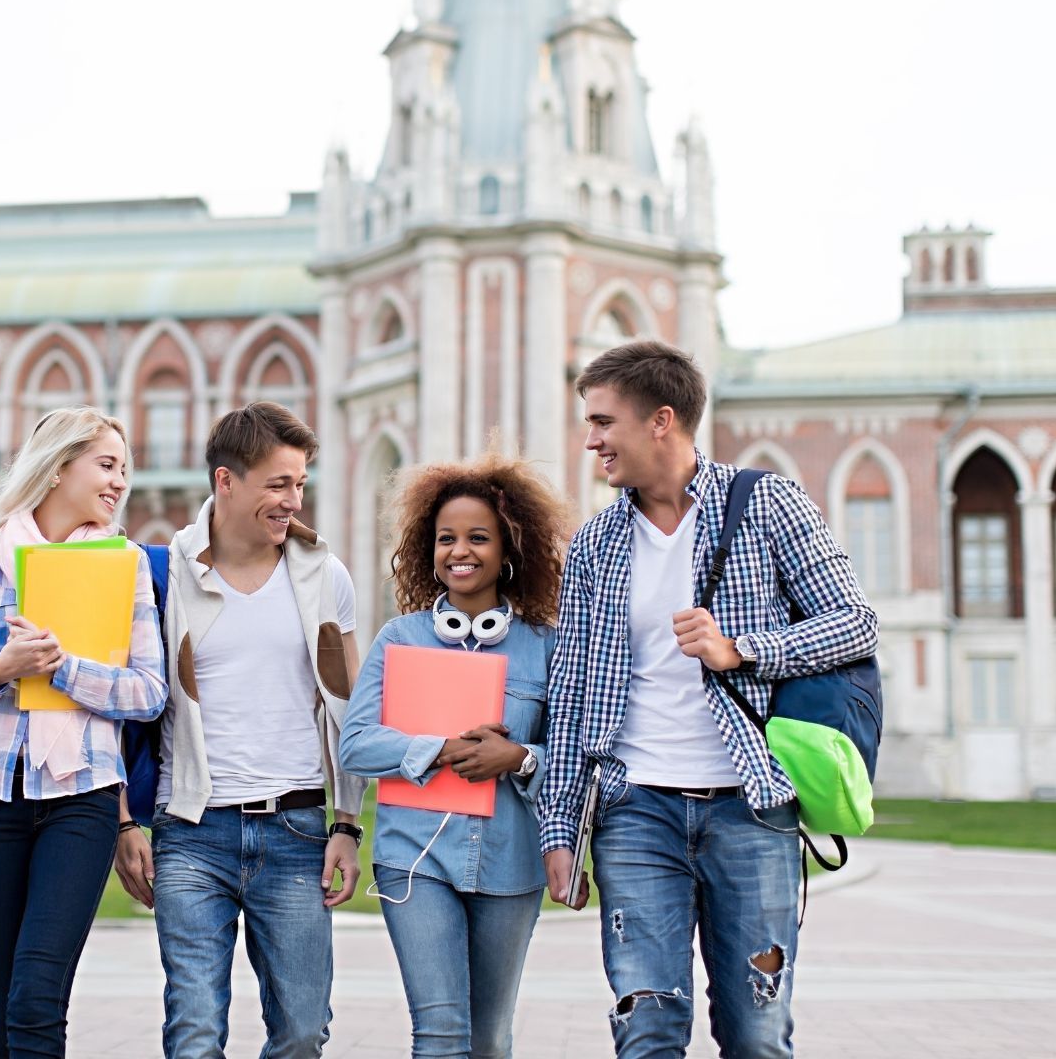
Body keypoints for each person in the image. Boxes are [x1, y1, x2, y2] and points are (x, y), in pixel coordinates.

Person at [538, 341, 878, 1058]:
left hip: (750, 808)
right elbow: (568, 695)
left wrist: (743, 648)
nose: (592, 439)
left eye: (604, 422)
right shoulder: (595, 545)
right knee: (648, 1025)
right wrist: (560, 828)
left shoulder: (766, 505)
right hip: (636, 814)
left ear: (661, 420)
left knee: (755, 1033)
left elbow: (855, 622)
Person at [110, 401, 365, 1058]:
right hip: (193, 834)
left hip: (299, 831)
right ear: (226, 481)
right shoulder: (162, 578)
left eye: (301, 483)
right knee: (194, 1032)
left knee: (303, 1033)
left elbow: (351, 710)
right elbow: (118, 709)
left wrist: (347, 825)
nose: (293, 499)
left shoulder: (325, 577)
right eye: (278, 484)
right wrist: (122, 822)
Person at [0, 407, 168, 1059]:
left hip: (81, 800)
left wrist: (65, 669)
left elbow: (148, 694)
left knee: (37, 998)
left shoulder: (125, 564)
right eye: (107, 465)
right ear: (59, 466)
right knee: (4, 1012)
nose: (120, 483)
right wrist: (0, 672)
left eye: (125, 469)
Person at [338, 454, 572, 1058]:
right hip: (415, 860)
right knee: (440, 1033)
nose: (459, 551)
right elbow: (357, 743)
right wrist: (438, 750)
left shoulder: (545, 644)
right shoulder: (399, 638)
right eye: (446, 538)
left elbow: (572, 756)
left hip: (509, 865)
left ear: (508, 548)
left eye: (477, 537)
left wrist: (518, 758)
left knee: (489, 1040)